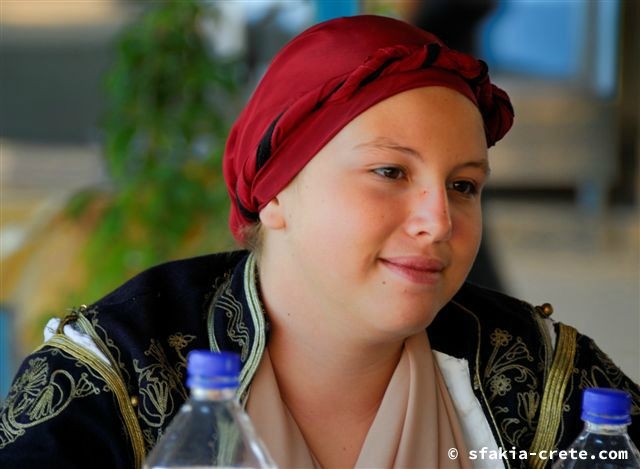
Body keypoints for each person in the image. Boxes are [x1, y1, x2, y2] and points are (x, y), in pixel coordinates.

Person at [1, 15, 638, 469]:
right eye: (390, 173)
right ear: (274, 193)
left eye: (465, 186)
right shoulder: (123, 373)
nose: (439, 221)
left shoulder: (542, 377)